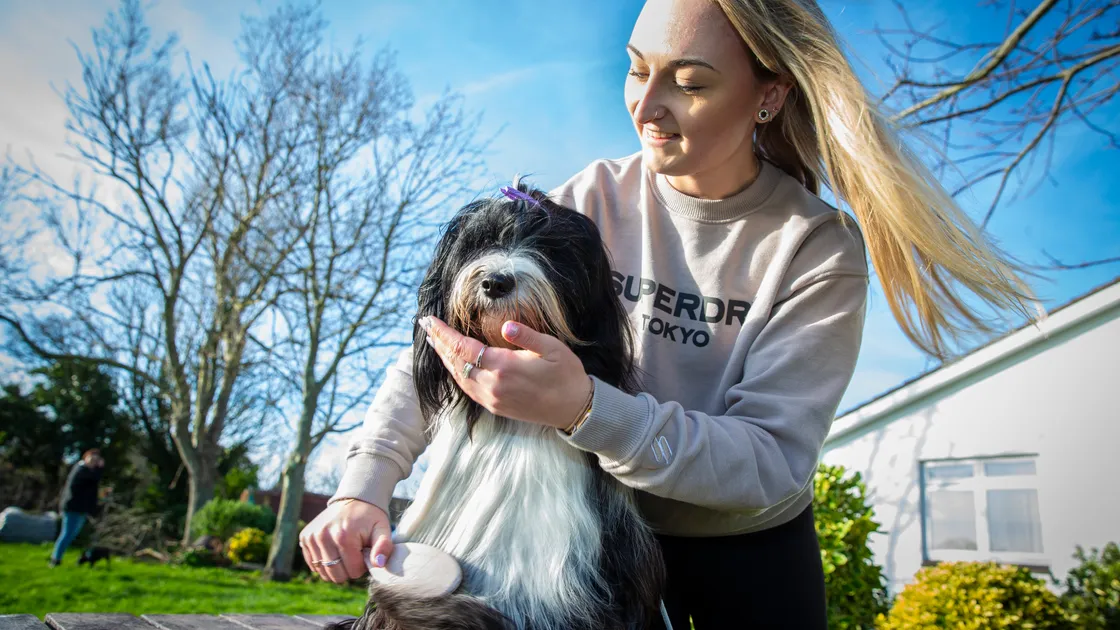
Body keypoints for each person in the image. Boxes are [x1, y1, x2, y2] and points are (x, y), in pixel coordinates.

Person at [301, 0, 1036, 627]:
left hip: (744, 551)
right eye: (635, 67)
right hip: (597, 529)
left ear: (767, 96)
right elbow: (445, 353)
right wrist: (363, 488)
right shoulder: (589, 196)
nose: (646, 107)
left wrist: (587, 408)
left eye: (689, 83)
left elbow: (770, 462)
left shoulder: (816, 250)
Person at [50, 448, 106, 567]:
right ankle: (55, 560)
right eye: (92, 460)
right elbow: (94, 478)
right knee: (67, 535)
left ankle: (81, 558)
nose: (94, 463)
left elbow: (91, 487)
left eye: (96, 461)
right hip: (73, 507)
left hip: (80, 508)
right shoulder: (81, 470)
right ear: (85, 458)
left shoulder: (85, 470)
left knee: (72, 534)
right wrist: (100, 468)